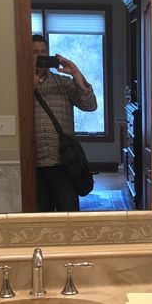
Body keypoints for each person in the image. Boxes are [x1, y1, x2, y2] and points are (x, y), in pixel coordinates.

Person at [32, 34, 98, 211]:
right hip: (34, 167)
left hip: (64, 164)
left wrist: (76, 73)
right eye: (35, 52)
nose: (40, 56)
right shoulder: (19, 86)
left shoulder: (63, 83)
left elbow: (90, 105)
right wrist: (30, 84)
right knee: (41, 219)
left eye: (43, 52)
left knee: (68, 218)